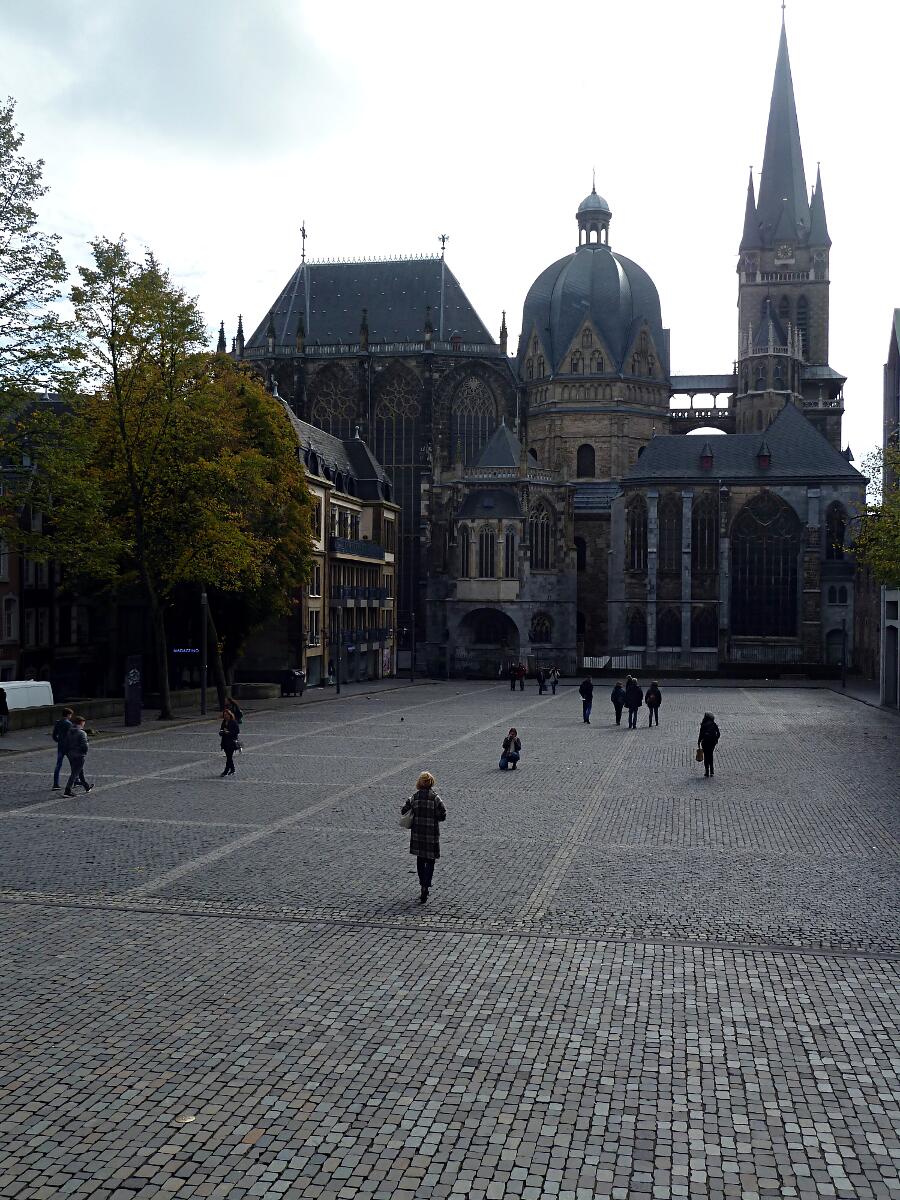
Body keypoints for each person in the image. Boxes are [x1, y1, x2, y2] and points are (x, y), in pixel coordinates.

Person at [400, 770, 447, 903]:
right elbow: (443, 814)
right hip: (431, 835)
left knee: (420, 860)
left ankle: (422, 884)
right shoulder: (435, 798)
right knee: (430, 860)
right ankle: (427, 883)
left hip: (418, 834)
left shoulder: (414, 797)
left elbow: (404, 810)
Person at [62, 716, 92, 796]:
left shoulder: (69, 732)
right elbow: (84, 746)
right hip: (79, 755)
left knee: (80, 771)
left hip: (70, 755)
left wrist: (67, 753)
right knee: (75, 773)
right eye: (83, 723)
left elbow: (65, 743)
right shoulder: (82, 733)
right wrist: (84, 752)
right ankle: (67, 790)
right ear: (81, 723)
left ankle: (86, 787)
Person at [51, 707, 74, 789]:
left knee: (58, 765)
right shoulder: (69, 723)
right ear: (68, 715)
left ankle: (55, 784)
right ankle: (76, 780)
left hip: (60, 746)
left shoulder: (58, 722)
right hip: (68, 746)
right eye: (70, 715)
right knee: (74, 764)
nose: (71, 717)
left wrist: (59, 740)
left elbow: (54, 735)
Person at [698, 712, 721, 777]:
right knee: (710, 755)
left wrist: (699, 742)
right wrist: (716, 739)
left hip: (705, 742)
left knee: (706, 756)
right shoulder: (714, 724)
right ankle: (712, 771)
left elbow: (701, 734)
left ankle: (707, 771)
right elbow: (718, 733)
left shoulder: (703, 724)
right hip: (712, 742)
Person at [219, 707, 240, 776]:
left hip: (231, 742)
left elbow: (237, 731)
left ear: (230, 715)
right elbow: (221, 730)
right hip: (225, 742)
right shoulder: (224, 722)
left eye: (226, 715)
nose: (225, 716)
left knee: (229, 757)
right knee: (229, 757)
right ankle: (233, 769)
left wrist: (229, 732)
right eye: (224, 715)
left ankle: (225, 771)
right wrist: (222, 732)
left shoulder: (233, 722)